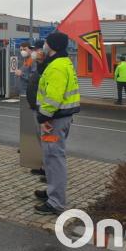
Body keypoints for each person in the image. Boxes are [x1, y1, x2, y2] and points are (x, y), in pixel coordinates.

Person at [34, 32, 80, 215]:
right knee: (51, 157)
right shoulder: (62, 63)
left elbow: (53, 97)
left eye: (45, 42)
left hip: (54, 120)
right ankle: (53, 191)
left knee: (54, 158)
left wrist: (44, 118)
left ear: (51, 45)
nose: (43, 45)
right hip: (60, 118)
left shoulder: (57, 67)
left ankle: (56, 202)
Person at [26, 40, 47, 177]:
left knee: (47, 142)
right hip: (36, 107)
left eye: (37, 49)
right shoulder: (39, 66)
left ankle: (48, 171)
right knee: (41, 140)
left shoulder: (47, 67)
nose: (34, 52)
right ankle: (45, 167)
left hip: (43, 110)